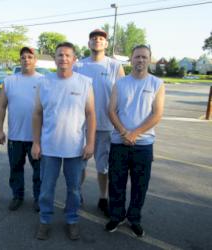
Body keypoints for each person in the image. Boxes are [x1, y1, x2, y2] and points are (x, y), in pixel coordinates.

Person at [32, 42, 96, 240]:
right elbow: (37, 114)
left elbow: (91, 114)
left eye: (68, 55)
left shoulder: (85, 82)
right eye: (60, 55)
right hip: (49, 147)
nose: (64, 59)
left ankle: (72, 220)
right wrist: (36, 142)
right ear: (55, 59)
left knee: (74, 190)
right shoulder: (44, 82)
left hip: (75, 148)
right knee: (46, 189)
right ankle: (45, 220)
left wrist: (91, 142)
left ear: (74, 59)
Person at [106, 45, 165, 237]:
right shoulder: (120, 84)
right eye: (137, 57)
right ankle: (116, 216)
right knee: (116, 183)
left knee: (140, 185)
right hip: (119, 143)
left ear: (149, 60)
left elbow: (157, 114)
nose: (140, 60)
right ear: (131, 59)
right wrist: (124, 132)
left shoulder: (157, 83)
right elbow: (111, 110)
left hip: (144, 145)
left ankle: (134, 219)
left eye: (144, 57)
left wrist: (135, 133)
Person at [73, 29, 125, 216]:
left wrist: (121, 125)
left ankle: (103, 198)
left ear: (106, 43)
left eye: (101, 39)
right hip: (82, 126)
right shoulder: (78, 66)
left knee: (103, 167)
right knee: (80, 165)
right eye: (94, 38)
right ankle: (77, 195)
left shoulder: (115, 66)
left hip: (106, 126)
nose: (97, 41)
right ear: (89, 44)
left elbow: (122, 95)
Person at [0, 47, 42, 212]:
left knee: (39, 172)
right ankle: (17, 196)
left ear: (35, 60)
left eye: (30, 57)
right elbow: (1, 107)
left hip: (37, 137)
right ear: (19, 60)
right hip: (15, 136)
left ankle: (39, 198)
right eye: (23, 57)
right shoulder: (10, 81)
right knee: (15, 169)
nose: (26, 60)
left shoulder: (44, 80)